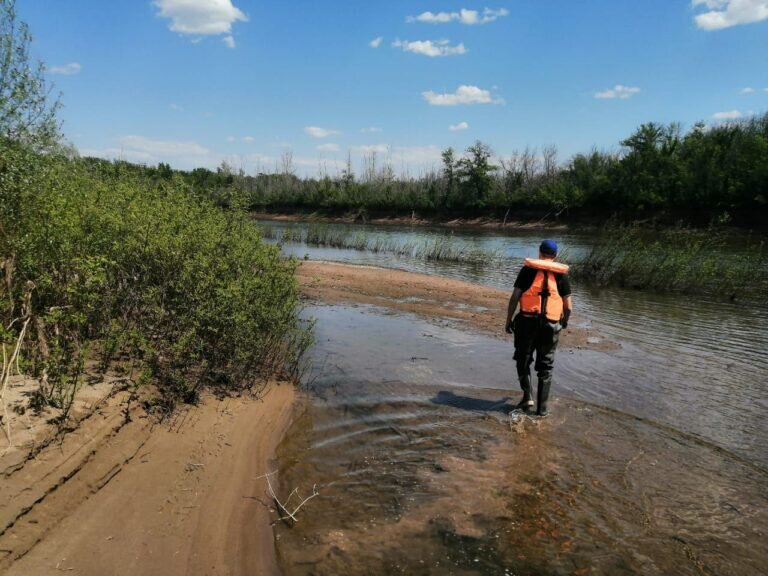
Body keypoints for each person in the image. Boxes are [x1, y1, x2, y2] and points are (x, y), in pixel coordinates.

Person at [504, 240, 572, 417]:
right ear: (555, 256)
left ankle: (528, 396)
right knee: (546, 367)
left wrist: (508, 320)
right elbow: (568, 306)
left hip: (526, 322)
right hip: (550, 325)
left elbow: (515, 297)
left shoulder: (528, 270)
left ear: (539, 252)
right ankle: (542, 410)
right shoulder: (561, 275)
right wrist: (563, 323)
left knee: (523, 359)